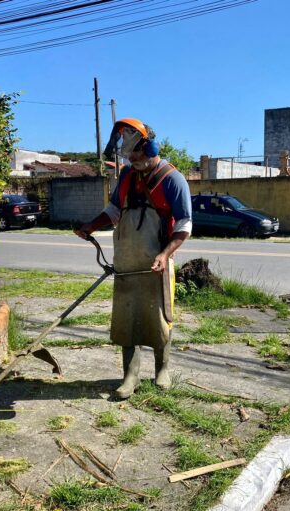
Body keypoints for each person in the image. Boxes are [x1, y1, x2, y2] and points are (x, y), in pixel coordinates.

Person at [74, 118, 192, 397]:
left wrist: (165, 255)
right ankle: (130, 376)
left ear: (151, 147)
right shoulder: (127, 175)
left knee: (159, 318)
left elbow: (184, 225)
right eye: (129, 155)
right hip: (127, 260)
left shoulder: (172, 179)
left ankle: (162, 370)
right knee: (128, 319)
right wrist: (91, 226)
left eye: (137, 154)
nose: (132, 159)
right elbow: (114, 211)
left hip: (157, 262)